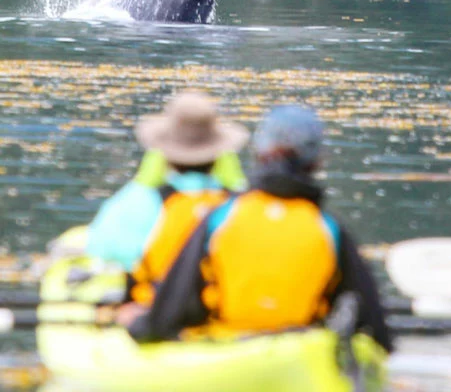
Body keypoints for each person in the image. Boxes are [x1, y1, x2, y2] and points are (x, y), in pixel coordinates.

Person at [124, 105, 393, 353]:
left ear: (258, 153)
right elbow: (376, 332)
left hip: (224, 348)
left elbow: (169, 311)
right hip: (298, 352)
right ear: (317, 162)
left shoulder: (220, 218)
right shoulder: (330, 229)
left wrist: (139, 327)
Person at [86, 91, 249, 305]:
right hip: (221, 306)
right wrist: (238, 184)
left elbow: (103, 247)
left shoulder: (142, 200)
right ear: (219, 155)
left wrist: (141, 183)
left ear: (163, 154)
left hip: (156, 307)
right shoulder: (240, 204)